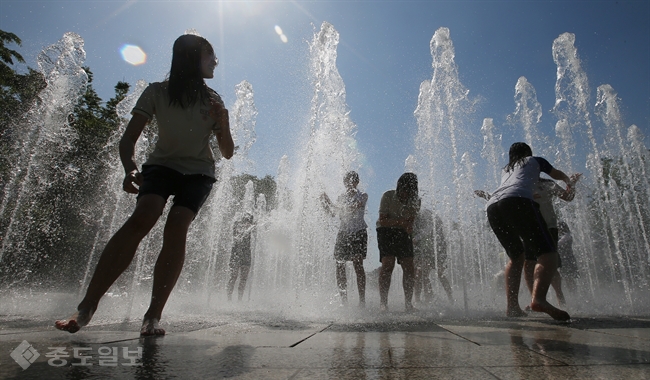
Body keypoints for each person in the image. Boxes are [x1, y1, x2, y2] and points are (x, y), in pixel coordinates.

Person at [55, 34, 234, 336]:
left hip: (198, 172)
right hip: (161, 166)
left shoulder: (214, 101)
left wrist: (224, 122)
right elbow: (129, 138)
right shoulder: (156, 92)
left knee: (177, 224)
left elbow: (227, 152)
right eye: (208, 55)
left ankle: (153, 315)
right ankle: (86, 307)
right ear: (190, 59)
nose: (215, 61)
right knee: (144, 215)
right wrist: (130, 169)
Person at [483, 142, 579, 321]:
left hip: (493, 206)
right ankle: (539, 299)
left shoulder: (506, 169)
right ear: (528, 153)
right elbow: (556, 173)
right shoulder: (535, 160)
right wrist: (569, 181)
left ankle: (512, 307)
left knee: (516, 256)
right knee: (548, 253)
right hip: (517, 201)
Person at [476, 174, 581, 306]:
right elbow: (502, 199)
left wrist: (571, 185)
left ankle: (560, 299)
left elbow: (568, 197)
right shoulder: (518, 186)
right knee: (529, 265)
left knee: (550, 265)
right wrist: (486, 195)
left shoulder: (548, 184)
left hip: (548, 228)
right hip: (528, 228)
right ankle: (535, 300)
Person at [320, 171, 368, 307]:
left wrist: (330, 202)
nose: (349, 184)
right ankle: (344, 302)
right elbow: (333, 213)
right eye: (347, 181)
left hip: (358, 232)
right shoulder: (341, 197)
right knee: (340, 265)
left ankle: (362, 301)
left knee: (358, 265)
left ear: (357, 182)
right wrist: (324, 203)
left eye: (352, 181)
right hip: (343, 233)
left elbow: (352, 208)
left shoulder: (363, 196)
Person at [376, 173, 421, 312]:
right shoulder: (388, 196)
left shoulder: (415, 201)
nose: (404, 194)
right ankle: (383, 303)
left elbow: (410, 223)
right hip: (385, 231)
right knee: (388, 263)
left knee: (409, 266)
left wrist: (407, 228)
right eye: (402, 190)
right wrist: (401, 222)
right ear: (398, 187)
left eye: (408, 192)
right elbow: (383, 220)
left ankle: (408, 304)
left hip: (403, 232)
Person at [412, 208, 453, 304]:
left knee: (439, 273)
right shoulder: (413, 216)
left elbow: (433, 226)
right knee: (421, 273)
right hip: (425, 249)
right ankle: (423, 298)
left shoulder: (426, 213)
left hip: (437, 248)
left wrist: (417, 238)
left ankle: (450, 297)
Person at [227, 212, 256, 301]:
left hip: (246, 255)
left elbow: (256, 230)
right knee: (233, 276)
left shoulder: (250, 229)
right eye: (246, 220)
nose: (248, 223)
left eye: (249, 221)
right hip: (236, 254)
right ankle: (229, 298)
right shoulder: (236, 227)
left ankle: (240, 299)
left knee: (243, 278)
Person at [557, 221, 579, 294]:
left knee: (569, 278)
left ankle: (573, 293)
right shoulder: (564, 236)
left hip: (568, 260)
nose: (558, 230)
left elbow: (559, 244)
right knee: (567, 278)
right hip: (564, 260)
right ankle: (572, 293)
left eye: (559, 228)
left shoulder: (567, 236)